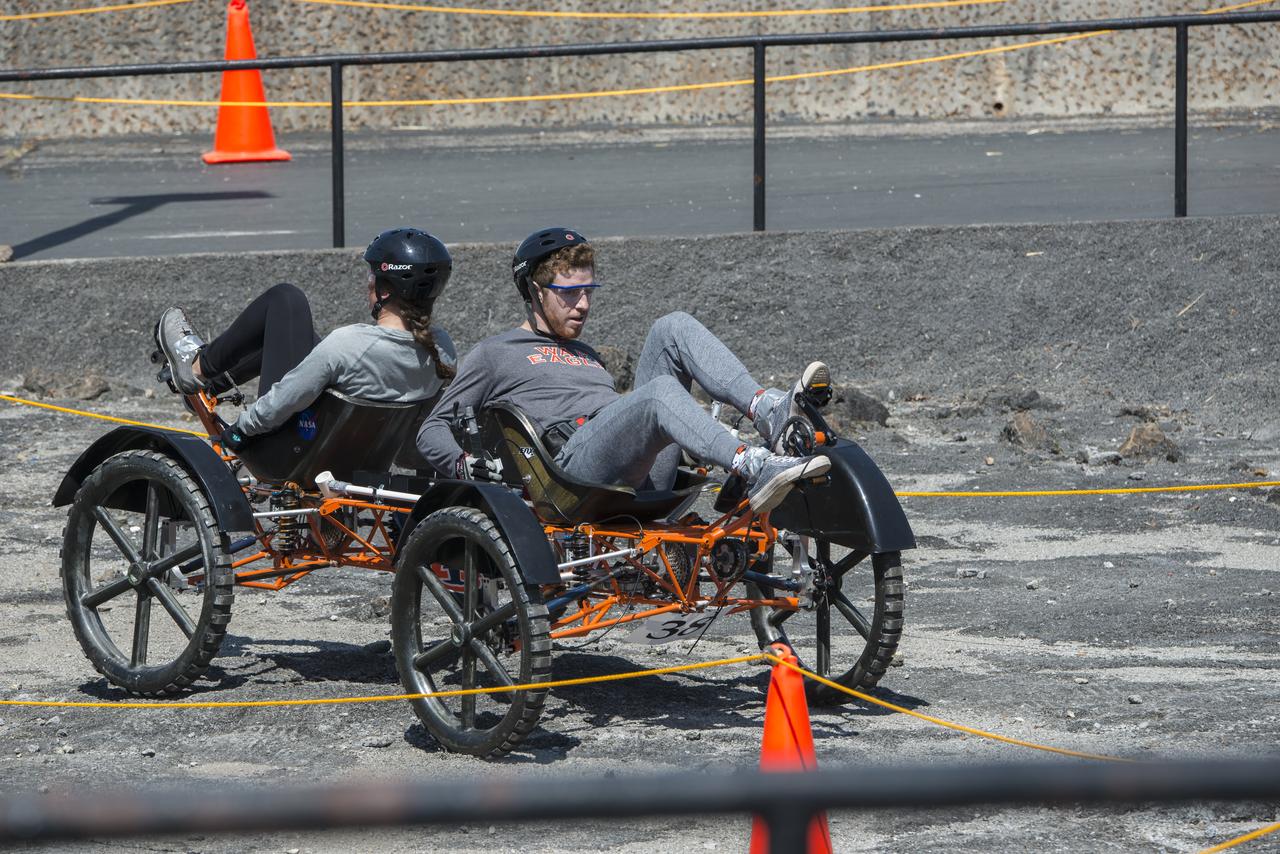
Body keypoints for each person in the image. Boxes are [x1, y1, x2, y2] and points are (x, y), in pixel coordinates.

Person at [416, 226, 831, 513]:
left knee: (672, 326)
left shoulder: (586, 352)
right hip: (570, 475)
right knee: (659, 393)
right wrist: (460, 464)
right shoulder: (496, 352)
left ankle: (768, 409)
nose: (582, 305)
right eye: (568, 293)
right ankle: (754, 467)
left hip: (635, 468)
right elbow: (432, 428)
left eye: (588, 291)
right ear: (534, 291)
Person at [154, 227, 456, 451]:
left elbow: (282, 401)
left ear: (385, 291)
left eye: (372, 278)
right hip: (363, 460)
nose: (368, 284)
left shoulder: (349, 345)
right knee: (297, 335)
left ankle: (196, 367)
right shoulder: (443, 349)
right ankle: (211, 382)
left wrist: (241, 429)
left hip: (293, 452)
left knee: (287, 300)